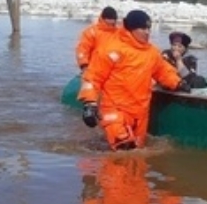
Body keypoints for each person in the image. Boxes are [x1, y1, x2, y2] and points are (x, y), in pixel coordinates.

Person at [78, 9, 190, 151]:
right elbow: (93, 77)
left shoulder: (152, 52)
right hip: (115, 110)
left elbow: (163, 71)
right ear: (131, 28)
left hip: (140, 114)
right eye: (143, 28)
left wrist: (178, 83)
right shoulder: (110, 49)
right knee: (123, 152)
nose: (147, 32)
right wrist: (89, 104)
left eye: (149, 28)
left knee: (137, 156)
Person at [75, 6, 119, 72]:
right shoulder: (91, 32)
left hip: (113, 71)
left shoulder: (119, 33)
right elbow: (82, 49)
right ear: (103, 19)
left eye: (112, 23)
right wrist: (84, 65)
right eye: (107, 23)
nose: (110, 25)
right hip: (93, 70)